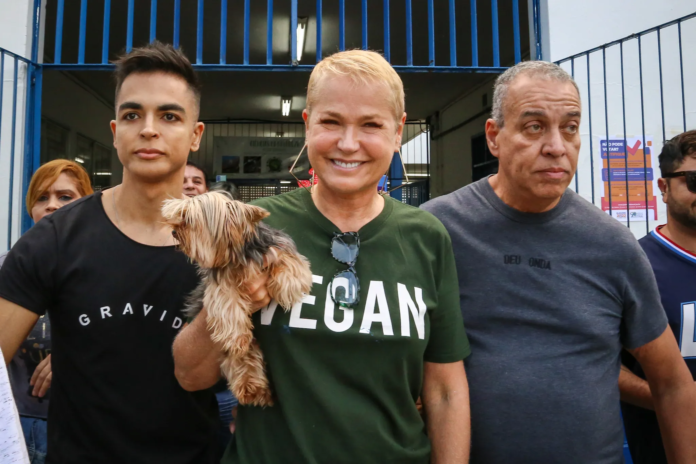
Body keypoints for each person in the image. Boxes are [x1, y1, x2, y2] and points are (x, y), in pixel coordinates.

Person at [172, 49, 472, 464]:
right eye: (331, 122)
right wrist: (232, 301)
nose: (348, 144)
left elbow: (444, 389)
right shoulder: (256, 227)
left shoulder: (426, 237)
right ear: (308, 123)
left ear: (398, 131)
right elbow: (191, 375)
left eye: (371, 125)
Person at [421, 61, 696, 464]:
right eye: (534, 127)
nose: (556, 146)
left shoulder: (612, 246)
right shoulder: (436, 232)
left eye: (570, 127)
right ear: (494, 138)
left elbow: (673, 385)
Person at [0, 41, 218, 463]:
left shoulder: (223, 248)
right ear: (115, 132)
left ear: (195, 135)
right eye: (133, 115)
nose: (149, 129)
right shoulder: (56, 238)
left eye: (169, 116)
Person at [0, 159, 93, 464]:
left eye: (65, 197)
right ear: (31, 209)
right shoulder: (6, 267)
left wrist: (72, 355)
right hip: (15, 426)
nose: (52, 206)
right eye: (42, 198)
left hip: (80, 425)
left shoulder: (106, 268)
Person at [620, 130, 696, 464]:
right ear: (663, 188)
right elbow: (606, 367)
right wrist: (676, 398)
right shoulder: (634, 267)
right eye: (693, 180)